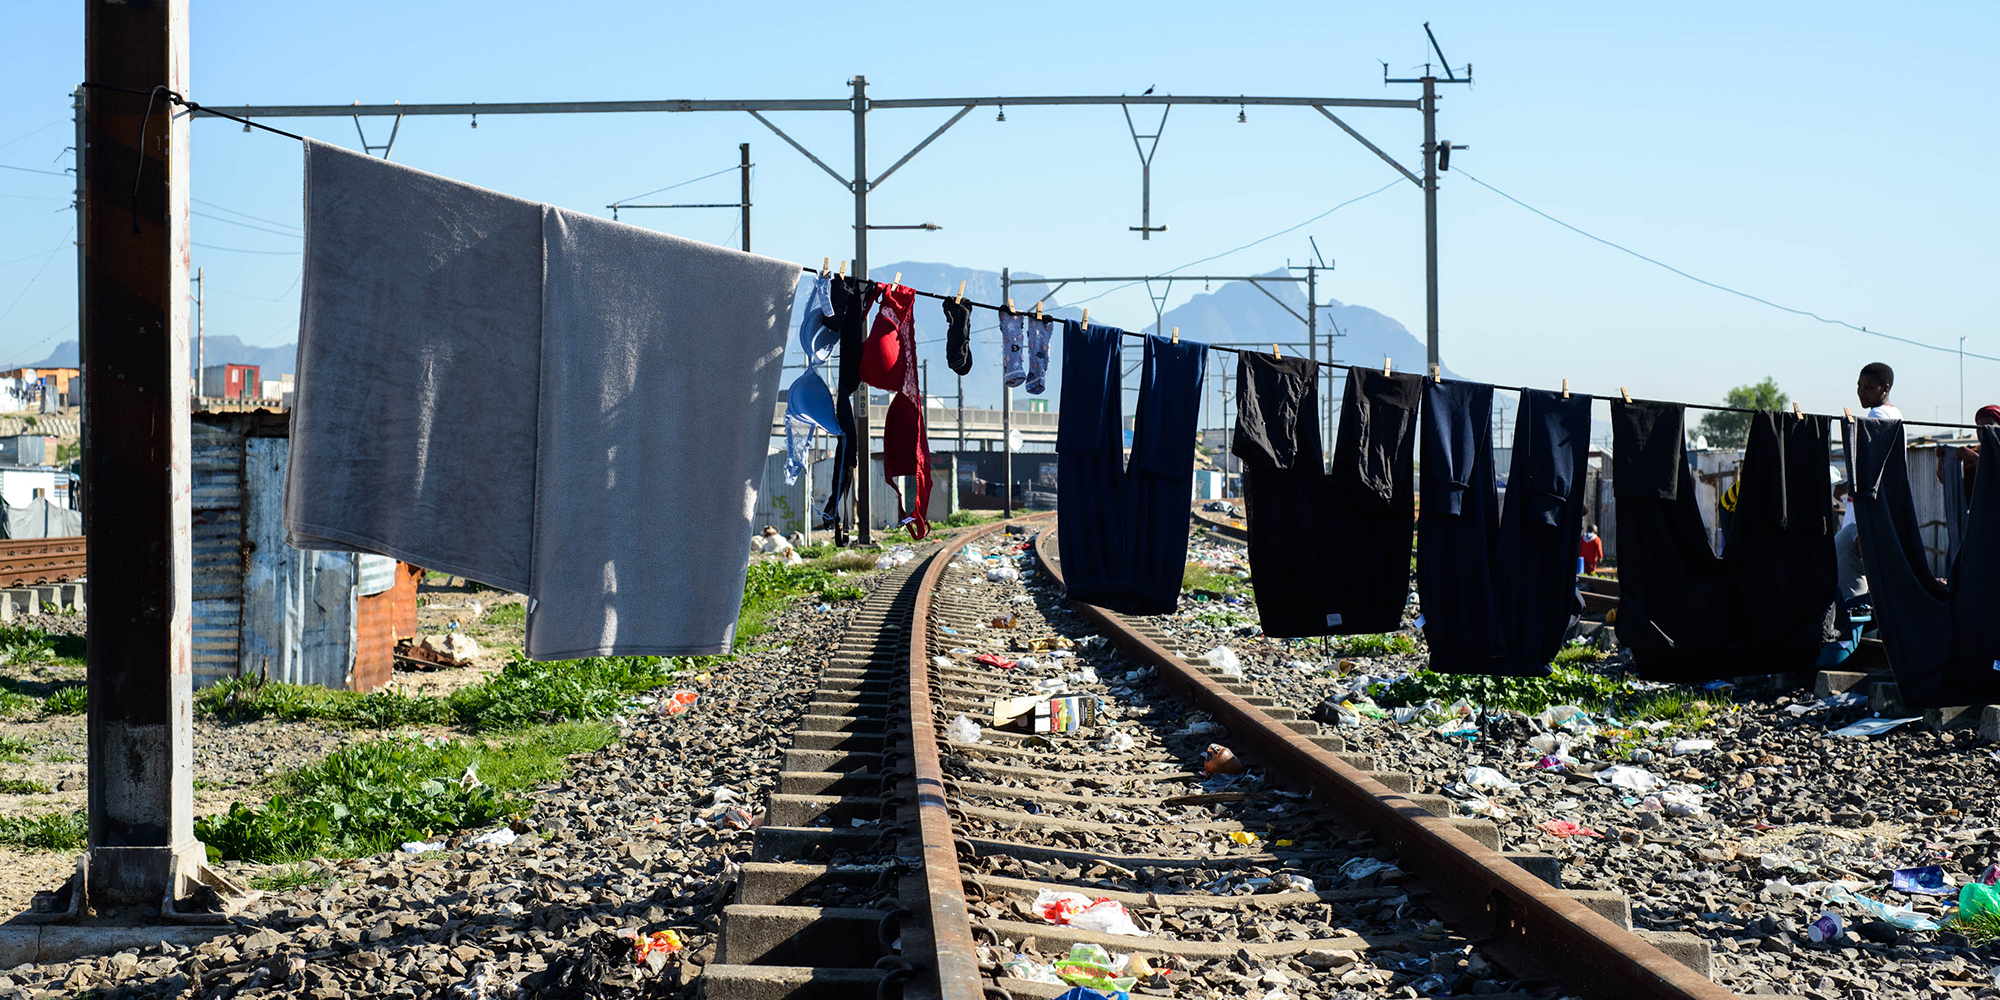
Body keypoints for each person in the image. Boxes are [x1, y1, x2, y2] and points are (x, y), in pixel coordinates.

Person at [1834, 362, 1903, 608]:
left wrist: (1845, 486)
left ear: (1885, 388)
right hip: (1884, 503)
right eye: (1859, 386)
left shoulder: (1877, 416)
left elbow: (1868, 465)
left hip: (1867, 507)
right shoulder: (1896, 414)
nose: (1861, 392)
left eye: (1868, 387)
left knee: (1854, 566)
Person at [1937, 403, 2000, 502]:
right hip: (1974, 510)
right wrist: (1942, 459)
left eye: (1989, 428)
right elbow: (1948, 480)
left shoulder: (1972, 455)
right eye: (1979, 428)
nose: (1983, 432)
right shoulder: (1973, 452)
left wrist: (1975, 458)